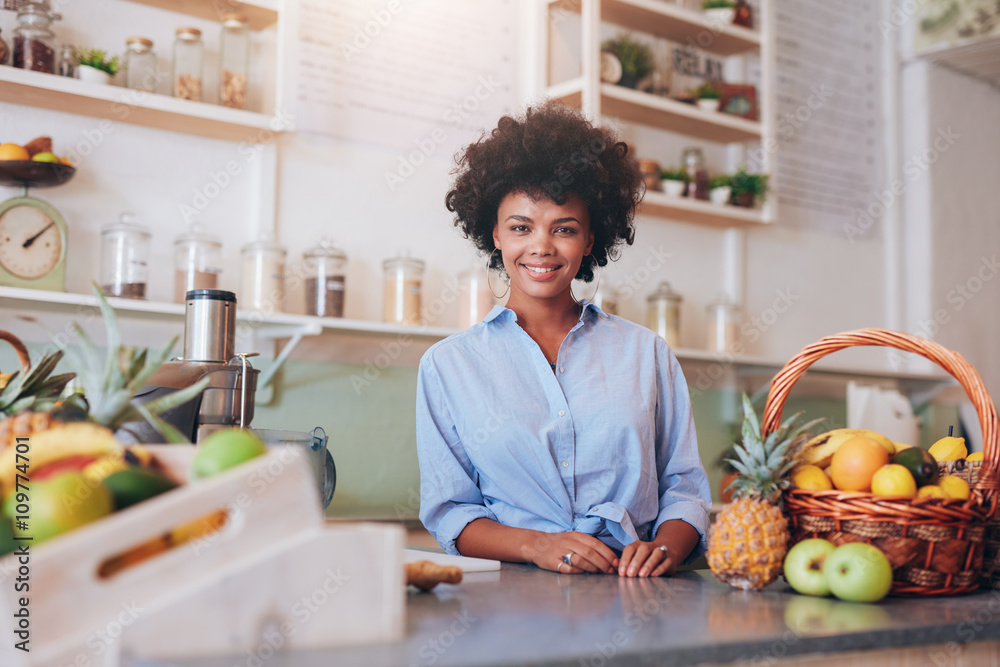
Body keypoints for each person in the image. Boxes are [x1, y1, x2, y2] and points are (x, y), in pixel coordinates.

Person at [416, 102, 711, 577]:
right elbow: (452, 512)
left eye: (565, 229)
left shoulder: (646, 353)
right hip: (512, 606)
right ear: (494, 234)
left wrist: (666, 549)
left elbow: (685, 489)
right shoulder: (448, 366)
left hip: (636, 593)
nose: (542, 247)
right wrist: (537, 545)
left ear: (591, 239)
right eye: (520, 227)